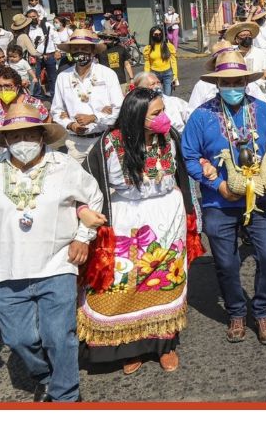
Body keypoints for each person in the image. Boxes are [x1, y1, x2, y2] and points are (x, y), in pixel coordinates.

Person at [0, 103, 101, 402]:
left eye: (28, 134)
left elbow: (93, 197)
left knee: (58, 337)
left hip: (57, 265)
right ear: (4, 140)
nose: (21, 142)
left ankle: (66, 395)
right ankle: (44, 376)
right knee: (18, 339)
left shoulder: (64, 167)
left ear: (41, 135)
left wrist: (83, 237)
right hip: (11, 272)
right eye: (14, 136)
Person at [79, 87, 202, 374]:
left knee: (164, 284)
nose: (163, 117)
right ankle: (128, 345)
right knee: (125, 283)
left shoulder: (169, 138)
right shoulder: (109, 144)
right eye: (156, 113)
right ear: (137, 116)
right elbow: (85, 185)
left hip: (168, 222)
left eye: (163, 111)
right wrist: (85, 214)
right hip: (127, 222)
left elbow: (184, 174)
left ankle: (164, 346)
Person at [181, 51, 266, 344]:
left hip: (260, 200)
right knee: (226, 262)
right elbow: (190, 156)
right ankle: (236, 311)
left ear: (245, 81)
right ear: (217, 83)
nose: (232, 86)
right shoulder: (201, 116)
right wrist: (216, 184)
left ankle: (262, 309)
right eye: (226, 82)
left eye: (238, 81)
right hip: (219, 201)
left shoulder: (263, 110)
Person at [51, 29, 123, 163]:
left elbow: (119, 108)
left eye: (84, 48)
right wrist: (71, 124)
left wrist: (94, 117)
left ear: (93, 51)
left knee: (106, 180)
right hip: (75, 144)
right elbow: (56, 110)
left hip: (103, 140)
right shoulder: (63, 77)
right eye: (76, 49)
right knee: (77, 181)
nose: (80, 52)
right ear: (71, 53)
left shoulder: (107, 74)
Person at [0, 66, 50, 160]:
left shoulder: (33, 103)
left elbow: (47, 124)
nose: (3, 90)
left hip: (31, 156)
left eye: (8, 86)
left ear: (17, 86)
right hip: (0, 158)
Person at [187, 40, 266, 113]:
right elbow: (192, 112)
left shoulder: (251, 85)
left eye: (238, 83)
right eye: (225, 83)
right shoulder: (202, 86)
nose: (232, 86)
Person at [226, 21, 266, 95]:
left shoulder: (260, 53)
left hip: (258, 94)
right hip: (236, 93)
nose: (247, 37)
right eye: (243, 35)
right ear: (237, 39)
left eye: (249, 35)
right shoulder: (231, 54)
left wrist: (259, 82)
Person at [25, 8, 58, 100]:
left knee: (52, 77)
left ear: (38, 16)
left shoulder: (47, 25)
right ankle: (38, 98)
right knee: (35, 77)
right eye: (30, 17)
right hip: (36, 57)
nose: (32, 18)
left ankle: (54, 96)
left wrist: (57, 50)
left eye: (34, 16)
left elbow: (55, 38)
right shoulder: (27, 29)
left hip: (50, 55)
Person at [143, 25, 178, 96]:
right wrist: (147, 76)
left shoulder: (169, 46)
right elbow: (147, 63)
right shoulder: (148, 49)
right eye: (156, 34)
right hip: (154, 74)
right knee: (158, 96)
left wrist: (175, 75)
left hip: (167, 74)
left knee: (167, 96)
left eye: (160, 34)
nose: (158, 36)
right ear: (152, 35)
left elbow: (173, 61)